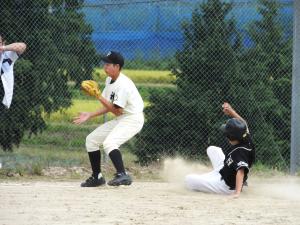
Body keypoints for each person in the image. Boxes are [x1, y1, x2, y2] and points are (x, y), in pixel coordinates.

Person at [73, 51, 144, 187]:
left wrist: (98, 96)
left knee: (110, 143)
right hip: (122, 117)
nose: (105, 67)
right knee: (91, 140)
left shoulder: (123, 85)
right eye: (104, 64)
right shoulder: (109, 80)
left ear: (117, 66)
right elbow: (110, 106)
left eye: (108, 64)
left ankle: (122, 175)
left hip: (132, 119)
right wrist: (90, 114)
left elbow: (117, 111)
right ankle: (97, 177)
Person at [185, 102, 255, 198]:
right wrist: (231, 111)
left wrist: (237, 193)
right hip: (225, 169)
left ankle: (238, 185)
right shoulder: (245, 137)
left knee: (188, 179)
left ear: (231, 137)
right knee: (212, 149)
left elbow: (241, 170)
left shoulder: (240, 152)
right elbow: (243, 123)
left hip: (225, 186)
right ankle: (222, 177)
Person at [0, 34, 27, 108]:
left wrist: (3, 48)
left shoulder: (7, 56)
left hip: (3, 98)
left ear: (3, 44)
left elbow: (22, 46)